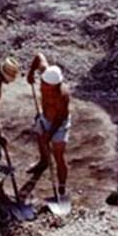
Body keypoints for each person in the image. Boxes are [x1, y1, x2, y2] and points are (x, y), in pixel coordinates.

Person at [26, 53, 71, 196]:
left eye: (47, 86)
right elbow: (39, 56)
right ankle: (43, 162)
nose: (43, 87)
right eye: (43, 84)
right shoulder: (46, 72)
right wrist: (31, 72)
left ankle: (62, 187)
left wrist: (50, 134)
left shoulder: (62, 96)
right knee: (41, 140)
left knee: (59, 155)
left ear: (55, 85)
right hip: (45, 116)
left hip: (59, 124)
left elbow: (60, 117)